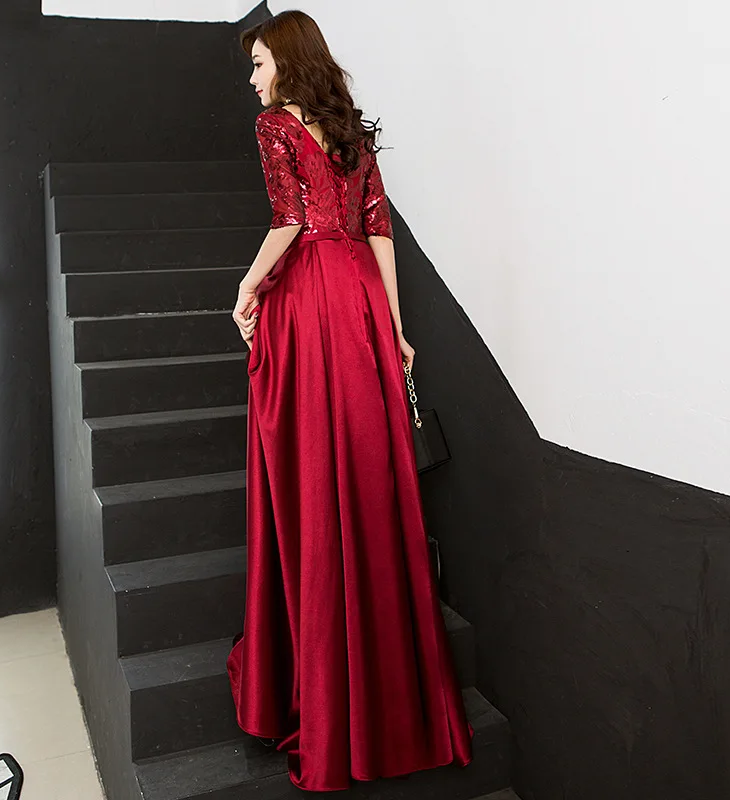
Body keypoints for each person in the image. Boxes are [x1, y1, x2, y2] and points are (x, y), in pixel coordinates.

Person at [226, 9, 474, 792]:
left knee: (312, 476)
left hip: (310, 302)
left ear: (286, 61)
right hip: (361, 303)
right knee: (368, 481)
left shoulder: (275, 127)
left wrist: (246, 286)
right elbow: (378, 232)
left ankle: (325, 684)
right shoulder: (350, 134)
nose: (254, 78)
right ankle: (390, 698)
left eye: (259, 63)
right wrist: (394, 329)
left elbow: (291, 221)